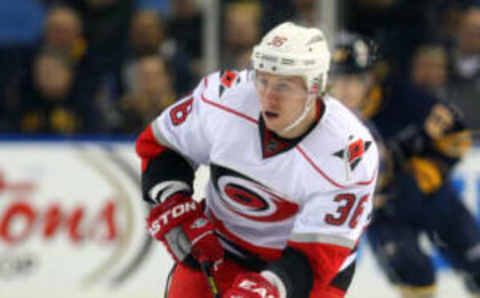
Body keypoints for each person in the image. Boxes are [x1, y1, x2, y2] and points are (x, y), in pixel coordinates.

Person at [135, 22, 379, 298]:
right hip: (219, 247)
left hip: (305, 270)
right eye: (262, 80)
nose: (268, 97)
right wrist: (174, 202)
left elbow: (318, 257)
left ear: (315, 88)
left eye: (284, 85)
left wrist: (270, 287)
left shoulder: (349, 154)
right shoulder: (224, 98)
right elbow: (161, 145)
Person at [330, 31, 479, 298]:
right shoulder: (322, 121)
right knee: (415, 278)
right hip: (385, 213)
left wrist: (429, 170)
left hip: (432, 197)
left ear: (369, 78)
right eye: (337, 80)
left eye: (352, 79)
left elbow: (458, 132)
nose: (344, 89)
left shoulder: (403, 99)